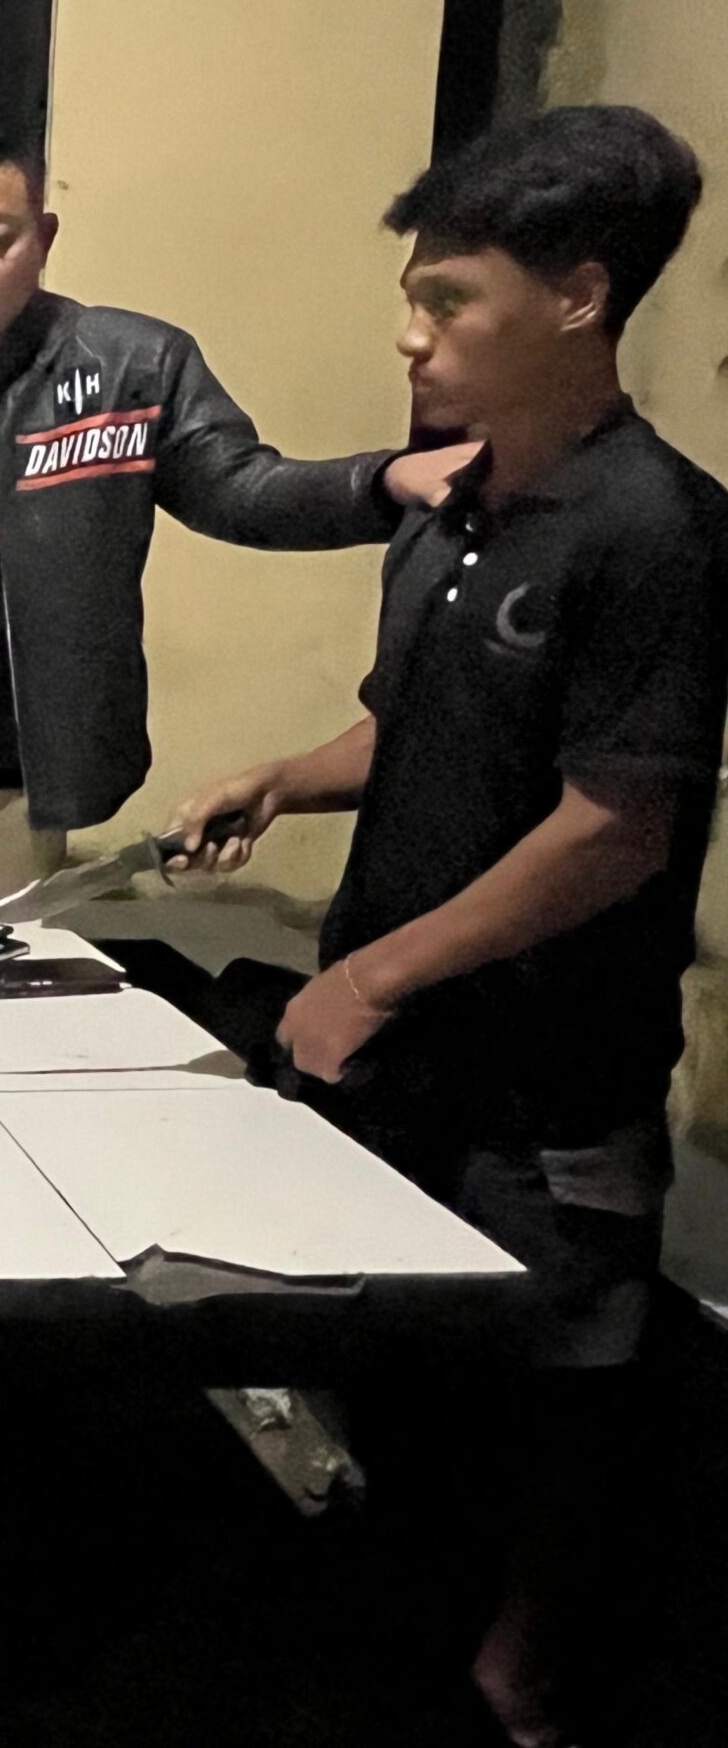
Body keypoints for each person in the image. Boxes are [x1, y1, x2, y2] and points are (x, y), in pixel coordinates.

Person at [170, 106, 720, 1747]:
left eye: (450, 300)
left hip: (556, 1066)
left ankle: (529, 1678)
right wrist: (286, 777)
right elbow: (420, 723)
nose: (412, 335)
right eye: (412, 297)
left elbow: (613, 826)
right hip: (406, 1045)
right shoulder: (448, 502)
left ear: (580, 296)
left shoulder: (658, 531)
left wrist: (371, 974)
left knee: (569, 1380)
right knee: (401, 1369)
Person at [0, 128, 477, 912]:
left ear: (43, 238)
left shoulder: (133, 367)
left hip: (14, 782)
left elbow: (242, 490)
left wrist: (380, 481)